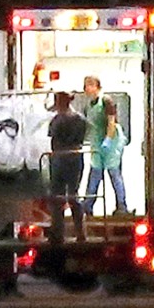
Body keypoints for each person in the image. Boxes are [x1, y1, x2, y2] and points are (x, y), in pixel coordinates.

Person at [81, 75, 129, 216]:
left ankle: (122, 205)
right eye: (85, 85)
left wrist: (108, 139)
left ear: (98, 87)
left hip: (112, 143)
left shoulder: (106, 101)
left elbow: (111, 123)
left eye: (90, 84)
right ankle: (87, 205)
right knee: (94, 174)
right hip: (96, 143)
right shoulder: (88, 106)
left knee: (114, 173)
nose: (87, 88)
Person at [46, 91, 87, 244]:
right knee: (73, 195)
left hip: (60, 158)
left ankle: (58, 233)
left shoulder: (57, 120)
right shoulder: (80, 119)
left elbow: (52, 138)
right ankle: (80, 232)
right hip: (76, 158)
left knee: (57, 196)